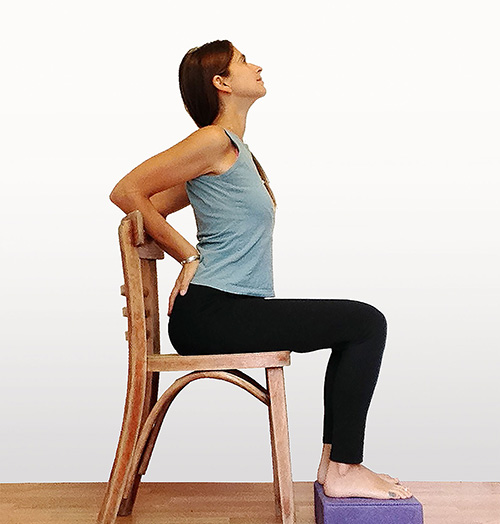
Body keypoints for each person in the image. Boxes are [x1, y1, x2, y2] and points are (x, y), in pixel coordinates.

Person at [109, 39, 412, 500]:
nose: (258, 66)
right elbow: (128, 190)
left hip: (228, 309)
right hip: (213, 314)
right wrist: (187, 256)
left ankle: (339, 465)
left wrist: (180, 254)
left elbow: (153, 206)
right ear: (222, 83)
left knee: (361, 324)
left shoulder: (230, 152)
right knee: (366, 323)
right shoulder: (210, 141)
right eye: (244, 62)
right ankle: (345, 468)